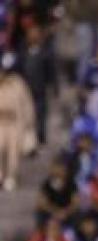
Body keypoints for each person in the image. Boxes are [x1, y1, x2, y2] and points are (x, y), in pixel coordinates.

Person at [0, 53, 37, 192]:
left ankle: (11, 177)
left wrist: (29, 123)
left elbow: (26, 104)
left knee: (12, 152)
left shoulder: (18, 83)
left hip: (14, 123)